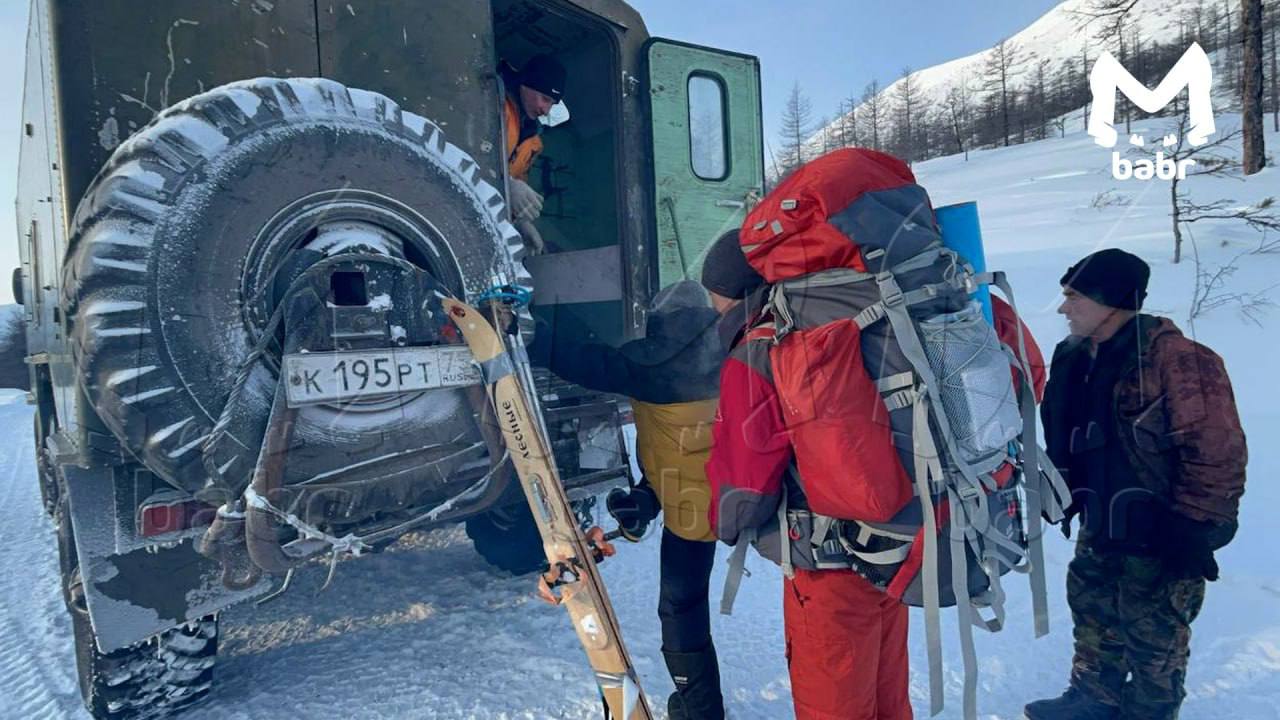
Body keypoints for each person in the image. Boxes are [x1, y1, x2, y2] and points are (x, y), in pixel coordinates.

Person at [1025, 248, 1248, 720]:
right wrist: (1061, 490)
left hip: (1164, 525)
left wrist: (1195, 527)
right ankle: (1093, 699)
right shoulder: (1073, 356)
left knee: (1155, 634)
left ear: (1113, 300)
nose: (1064, 308)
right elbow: (1065, 432)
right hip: (1101, 518)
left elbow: (1216, 449)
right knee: (1092, 610)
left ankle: (1149, 713)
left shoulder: (1181, 361)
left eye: (1075, 297)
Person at [702, 231, 912, 720]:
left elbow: (745, 483)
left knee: (833, 702)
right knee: (886, 694)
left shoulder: (760, 347)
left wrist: (722, 522)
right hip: (893, 543)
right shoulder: (851, 320)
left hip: (826, 562)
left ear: (729, 292)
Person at [527, 267, 737, 719]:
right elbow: (691, 448)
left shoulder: (649, 362)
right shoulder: (728, 354)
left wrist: (527, 332)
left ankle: (700, 710)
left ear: (659, 320)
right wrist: (646, 496)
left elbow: (583, 360)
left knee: (681, 611)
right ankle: (696, 704)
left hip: (690, 512)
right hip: (735, 498)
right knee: (688, 605)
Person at [500, 54, 566, 256]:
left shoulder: (534, 144)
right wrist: (506, 185)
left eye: (552, 104)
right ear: (525, 85)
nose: (545, 111)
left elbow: (519, 186)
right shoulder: (493, 106)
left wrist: (521, 223)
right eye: (545, 99)